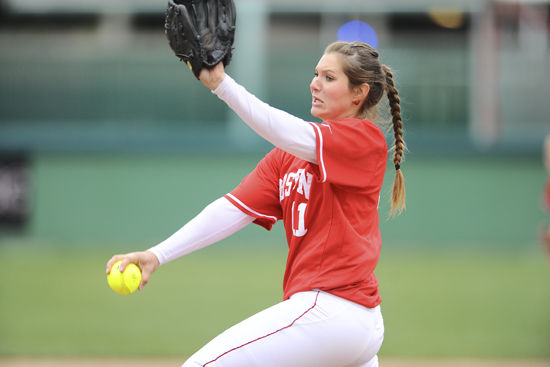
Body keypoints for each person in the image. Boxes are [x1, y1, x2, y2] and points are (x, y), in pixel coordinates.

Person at [106, 41, 406, 367]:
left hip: (332, 308)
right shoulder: (286, 157)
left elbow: (286, 131)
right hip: (347, 325)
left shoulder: (364, 139)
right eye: (316, 74)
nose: (315, 83)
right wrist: (156, 255)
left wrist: (222, 85)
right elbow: (231, 210)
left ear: (358, 93)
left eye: (329, 78)